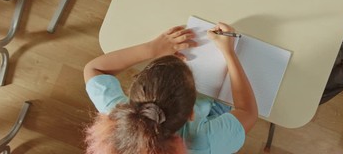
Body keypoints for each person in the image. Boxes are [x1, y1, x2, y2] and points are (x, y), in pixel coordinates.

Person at [84, 23, 258, 154]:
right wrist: (229, 53)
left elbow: (94, 69)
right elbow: (247, 111)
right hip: (207, 130)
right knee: (222, 102)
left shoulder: (117, 118)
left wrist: (151, 49)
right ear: (191, 113)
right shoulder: (203, 142)